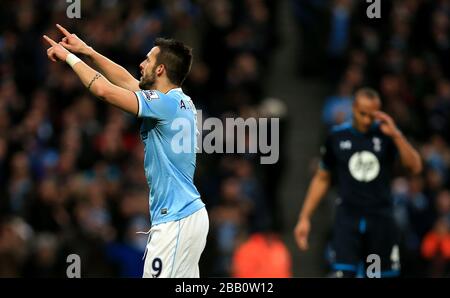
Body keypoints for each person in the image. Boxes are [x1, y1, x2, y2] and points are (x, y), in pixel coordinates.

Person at [42, 24, 208, 278]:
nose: (141, 64)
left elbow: (104, 91)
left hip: (176, 220)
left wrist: (69, 58)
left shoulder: (164, 105)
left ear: (161, 69)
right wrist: (88, 51)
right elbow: (126, 81)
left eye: (148, 59)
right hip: (189, 216)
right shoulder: (179, 102)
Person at [294, 88, 423, 277]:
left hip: (380, 219)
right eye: (362, 113)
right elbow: (322, 178)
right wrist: (304, 217)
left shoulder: (386, 136)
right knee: (344, 274)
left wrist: (396, 134)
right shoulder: (337, 137)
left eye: (371, 115)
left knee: (376, 275)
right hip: (348, 219)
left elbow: (415, 167)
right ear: (353, 108)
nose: (366, 120)